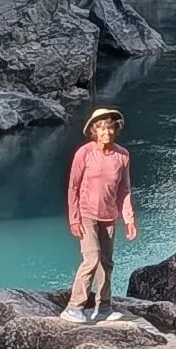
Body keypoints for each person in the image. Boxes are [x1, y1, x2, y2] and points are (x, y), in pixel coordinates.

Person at [62, 107, 137, 321]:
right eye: (102, 129)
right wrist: (74, 219)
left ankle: (104, 307)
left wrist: (129, 219)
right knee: (92, 258)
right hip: (86, 214)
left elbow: (124, 189)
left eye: (110, 128)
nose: (107, 133)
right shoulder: (84, 153)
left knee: (107, 263)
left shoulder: (122, 155)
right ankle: (74, 307)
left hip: (109, 216)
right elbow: (73, 187)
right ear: (95, 131)